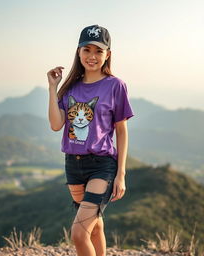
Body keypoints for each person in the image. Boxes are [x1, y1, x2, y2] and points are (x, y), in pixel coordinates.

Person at [47, 24, 135, 256]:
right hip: (73, 165)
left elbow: (122, 131)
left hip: (102, 165)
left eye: (99, 50)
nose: (92, 56)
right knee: (94, 225)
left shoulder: (115, 86)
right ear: (78, 52)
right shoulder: (69, 88)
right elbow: (56, 125)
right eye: (87, 50)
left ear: (108, 54)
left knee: (78, 233)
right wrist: (53, 88)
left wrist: (121, 174)